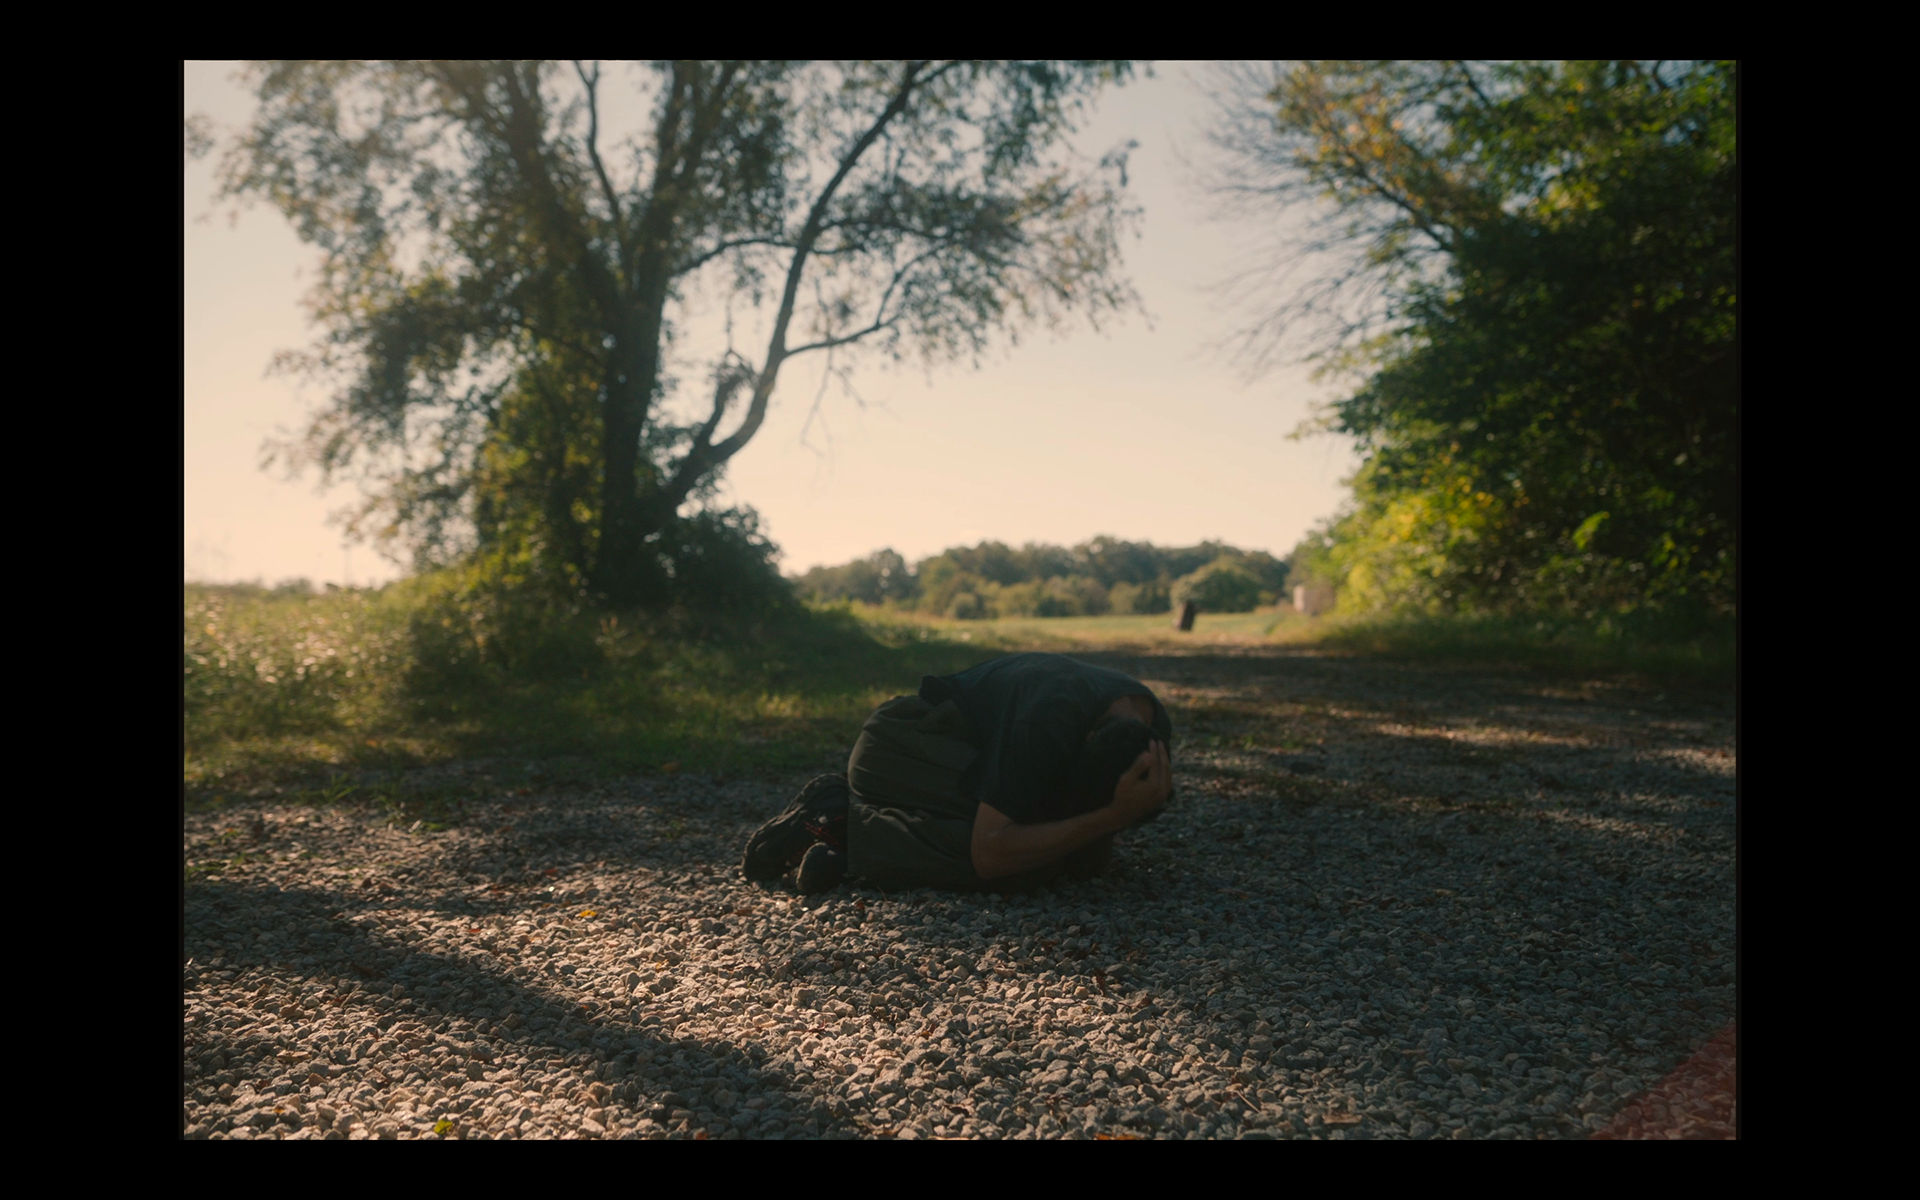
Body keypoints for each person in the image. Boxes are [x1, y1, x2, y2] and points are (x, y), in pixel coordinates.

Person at [741, 652, 1175, 893]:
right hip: (897, 745)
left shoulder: (1148, 728)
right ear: (1079, 743)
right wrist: (1110, 817)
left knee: (1074, 858)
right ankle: (841, 823)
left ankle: (844, 855)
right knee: (1024, 863)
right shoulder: (1047, 720)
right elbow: (990, 854)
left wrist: (1104, 823)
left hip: (957, 750)